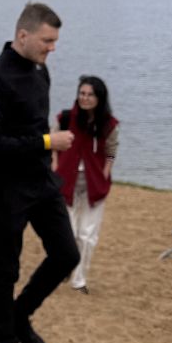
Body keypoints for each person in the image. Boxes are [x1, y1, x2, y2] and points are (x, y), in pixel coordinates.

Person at [0, 2, 80, 343]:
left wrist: (46, 149)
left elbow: (35, 127)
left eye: (54, 41)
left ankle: (20, 315)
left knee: (67, 255)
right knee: (6, 267)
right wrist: (49, 142)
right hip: (6, 187)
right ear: (23, 35)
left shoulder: (40, 72)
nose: (52, 47)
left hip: (41, 182)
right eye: (47, 40)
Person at [54, 76, 119, 293]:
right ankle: (65, 267)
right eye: (82, 93)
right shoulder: (64, 118)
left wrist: (105, 172)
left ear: (99, 98)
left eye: (90, 94)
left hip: (94, 185)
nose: (85, 98)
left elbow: (111, 150)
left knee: (87, 235)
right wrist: (54, 166)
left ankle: (79, 280)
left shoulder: (108, 124)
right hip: (66, 183)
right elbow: (53, 144)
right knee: (68, 232)